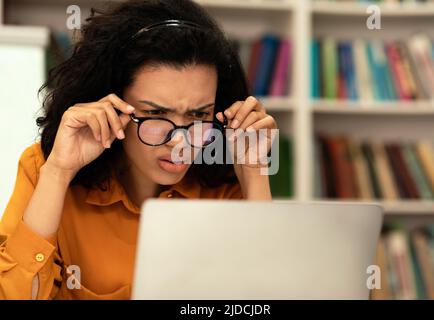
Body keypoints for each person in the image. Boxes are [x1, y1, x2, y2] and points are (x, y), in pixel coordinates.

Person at [0, 0, 276, 299]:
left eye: (198, 115)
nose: (180, 141)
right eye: (157, 114)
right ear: (112, 103)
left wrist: (254, 174)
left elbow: (265, 296)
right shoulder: (45, 167)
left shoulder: (226, 178)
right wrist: (58, 173)